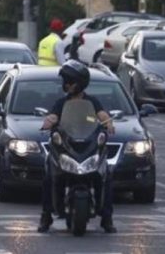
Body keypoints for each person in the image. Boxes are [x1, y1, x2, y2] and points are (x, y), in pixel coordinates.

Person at [38, 60, 117, 234]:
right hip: (68, 148)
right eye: (65, 81)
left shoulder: (92, 102)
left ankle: (107, 218)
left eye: (69, 81)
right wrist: (48, 122)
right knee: (49, 176)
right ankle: (46, 215)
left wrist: (108, 123)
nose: (65, 85)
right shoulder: (61, 103)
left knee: (106, 177)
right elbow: (53, 117)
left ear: (79, 83)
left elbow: (102, 115)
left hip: (87, 148)